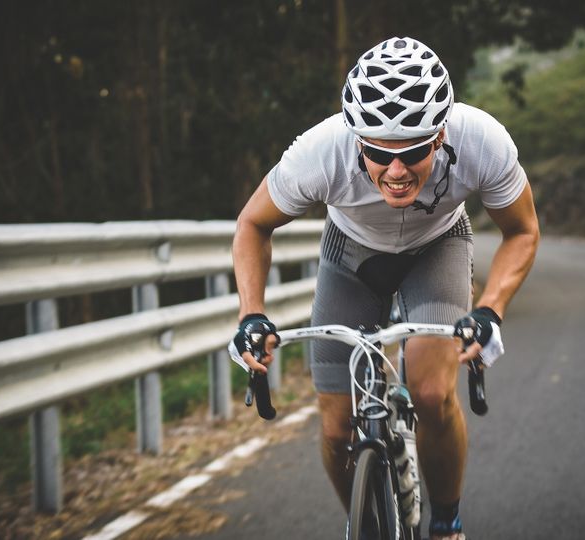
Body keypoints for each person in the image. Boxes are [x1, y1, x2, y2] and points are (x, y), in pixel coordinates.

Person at [230, 36, 539, 540]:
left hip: (438, 246)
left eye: (413, 152)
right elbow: (251, 225)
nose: (396, 171)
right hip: (350, 255)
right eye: (378, 153)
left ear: (440, 136)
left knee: (433, 390)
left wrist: (490, 308)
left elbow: (522, 231)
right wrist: (251, 313)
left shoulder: (481, 140)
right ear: (356, 140)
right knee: (335, 429)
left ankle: (446, 523)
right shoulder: (319, 152)